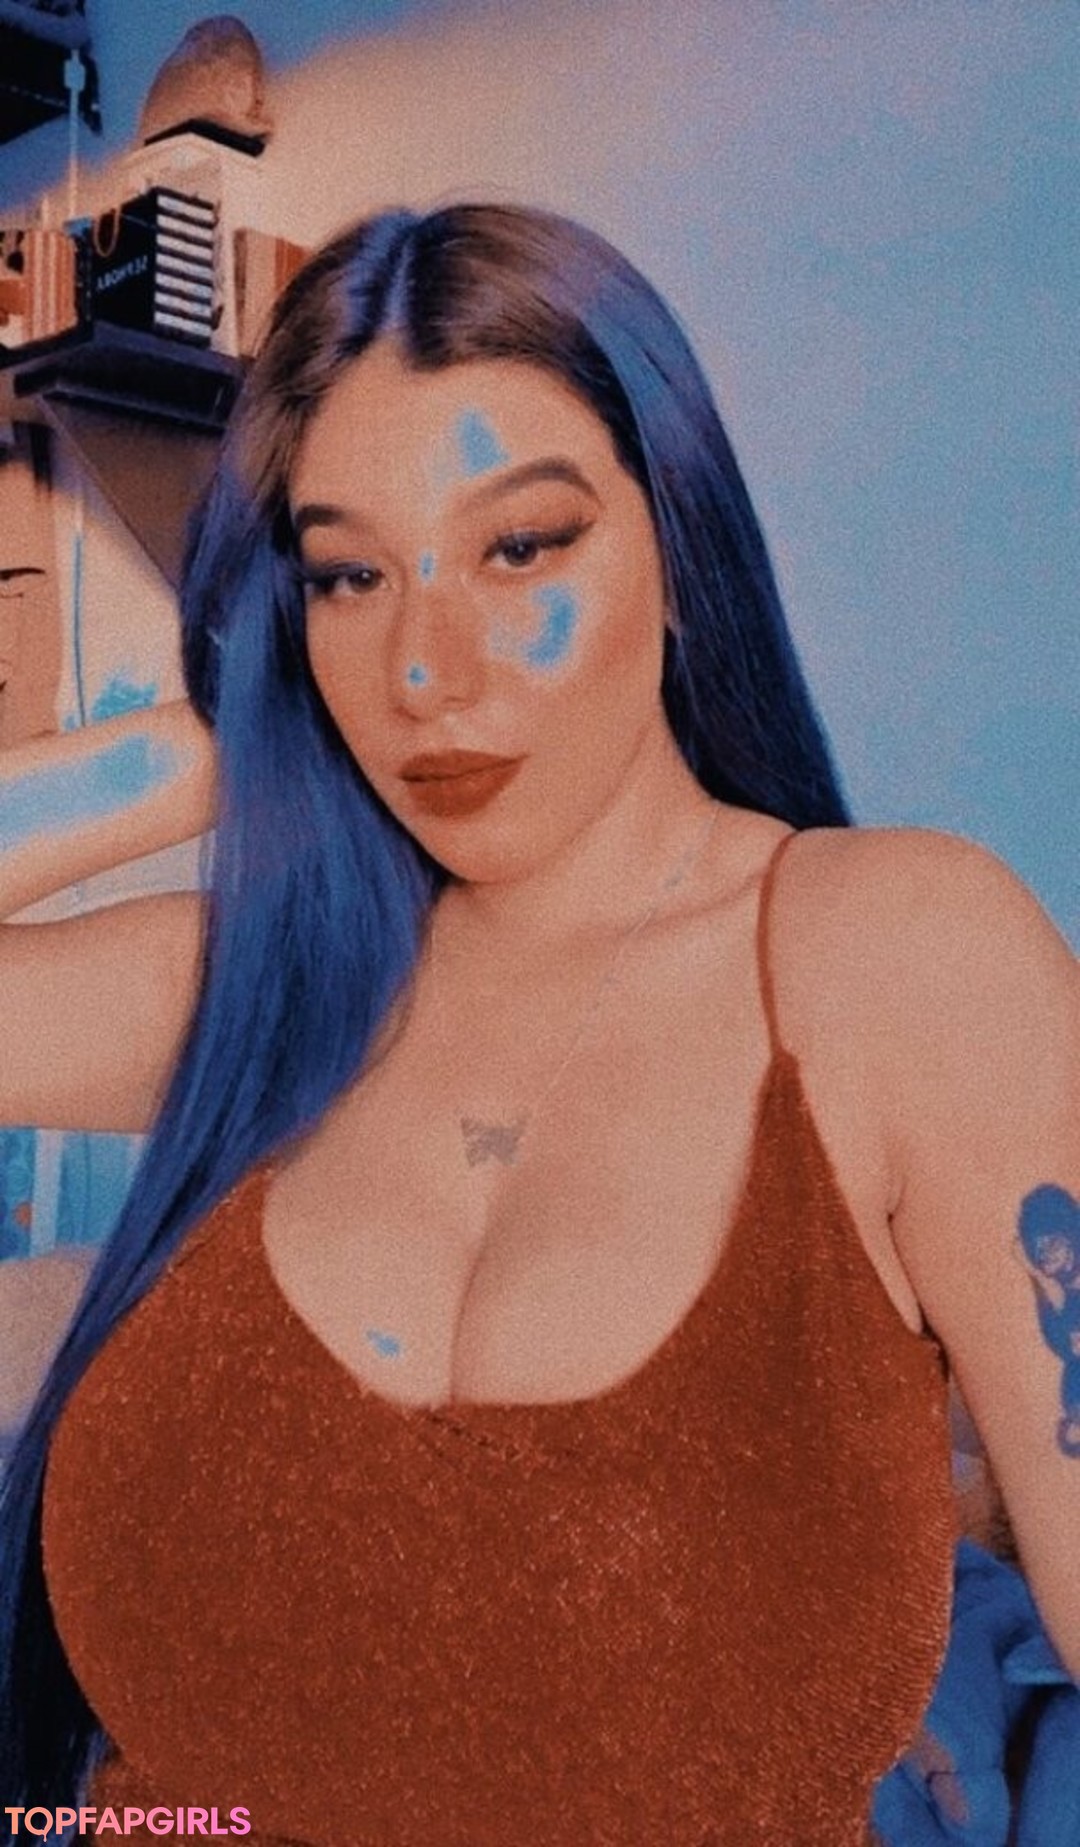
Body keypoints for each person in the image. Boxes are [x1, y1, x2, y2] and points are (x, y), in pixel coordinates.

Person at [0, 202, 1076, 1847]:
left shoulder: (894, 960)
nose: (425, 671)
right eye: (350, 575)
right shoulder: (258, 983)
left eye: (521, 549)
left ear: (680, 551)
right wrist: (201, 738)